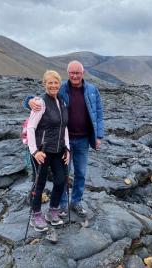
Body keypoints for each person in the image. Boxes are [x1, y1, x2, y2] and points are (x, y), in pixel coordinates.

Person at [24, 60, 104, 218]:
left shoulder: (92, 90)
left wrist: (99, 135)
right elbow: (42, 98)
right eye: (72, 73)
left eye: (78, 73)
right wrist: (28, 101)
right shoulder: (62, 89)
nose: (75, 76)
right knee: (64, 176)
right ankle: (60, 205)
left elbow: (99, 113)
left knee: (80, 173)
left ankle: (76, 202)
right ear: (68, 74)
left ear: (83, 73)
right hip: (62, 142)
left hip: (83, 140)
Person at [27, 70, 70, 231]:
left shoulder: (62, 102)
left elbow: (64, 127)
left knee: (61, 181)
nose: (53, 85)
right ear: (44, 84)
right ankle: (35, 215)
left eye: (56, 82)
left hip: (59, 150)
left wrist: (68, 149)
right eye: (50, 83)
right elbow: (31, 127)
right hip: (42, 151)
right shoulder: (40, 102)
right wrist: (34, 151)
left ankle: (52, 211)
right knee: (39, 184)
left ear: (60, 84)